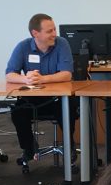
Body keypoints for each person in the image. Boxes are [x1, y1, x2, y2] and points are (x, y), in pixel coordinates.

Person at [5, 13, 76, 166]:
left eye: (54, 29)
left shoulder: (61, 44)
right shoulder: (23, 47)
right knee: (18, 112)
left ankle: (69, 145)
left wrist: (43, 79)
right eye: (49, 31)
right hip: (33, 98)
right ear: (35, 33)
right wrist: (26, 79)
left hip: (57, 98)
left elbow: (67, 74)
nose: (54, 34)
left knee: (67, 108)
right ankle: (29, 148)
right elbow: (9, 74)